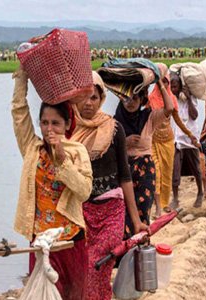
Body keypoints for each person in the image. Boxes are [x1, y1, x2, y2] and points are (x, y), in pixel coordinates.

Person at [11, 67, 93, 300]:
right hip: (40, 241)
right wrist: (23, 76)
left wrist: (62, 160)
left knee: (72, 295)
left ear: (67, 125)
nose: (49, 129)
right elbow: (19, 114)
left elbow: (85, 191)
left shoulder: (77, 152)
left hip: (70, 242)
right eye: (45, 123)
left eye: (55, 123)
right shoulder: (32, 149)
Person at [71, 72, 148, 300]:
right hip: (82, 212)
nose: (88, 103)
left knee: (97, 262)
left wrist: (136, 221)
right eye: (83, 97)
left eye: (93, 97)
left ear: (101, 98)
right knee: (89, 269)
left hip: (112, 211)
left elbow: (125, 177)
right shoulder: (70, 132)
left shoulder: (113, 129)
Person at [114, 74, 174, 240]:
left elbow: (169, 108)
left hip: (145, 170)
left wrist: (161, 86)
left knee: (143, 210)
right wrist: (124, 143)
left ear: (141, 100)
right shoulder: (114, 123)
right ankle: (126, 246)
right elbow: (110, 149)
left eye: (135, 98)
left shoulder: (148, 118)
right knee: (124, 210)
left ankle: (141, 244)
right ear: (121, 101)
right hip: (124, 170)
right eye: (126, 99)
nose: (130, 102)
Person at [169, 72, 204, 209]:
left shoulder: (189, 98)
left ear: (181, 86)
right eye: (171, 87)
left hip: (190, 138)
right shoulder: (171, 100)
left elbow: (194, 116)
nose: (173, 89)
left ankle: (200, 192)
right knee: (175, 169)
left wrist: (189, 98)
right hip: (176, 138)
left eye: (175, 86)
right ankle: (176, 198)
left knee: (196, 168)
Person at [148, 71, 179, 216]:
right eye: (160, 81)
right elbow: (146, 119)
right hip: (153, 141)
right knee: (157, 174)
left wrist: (190, 135)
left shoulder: (171, 99)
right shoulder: (150, 99)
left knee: (167, 173)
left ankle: (165, 203)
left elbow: (177, 119)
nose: (163, 84)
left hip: (167, 141)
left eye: (165, 81)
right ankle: (158, 208)